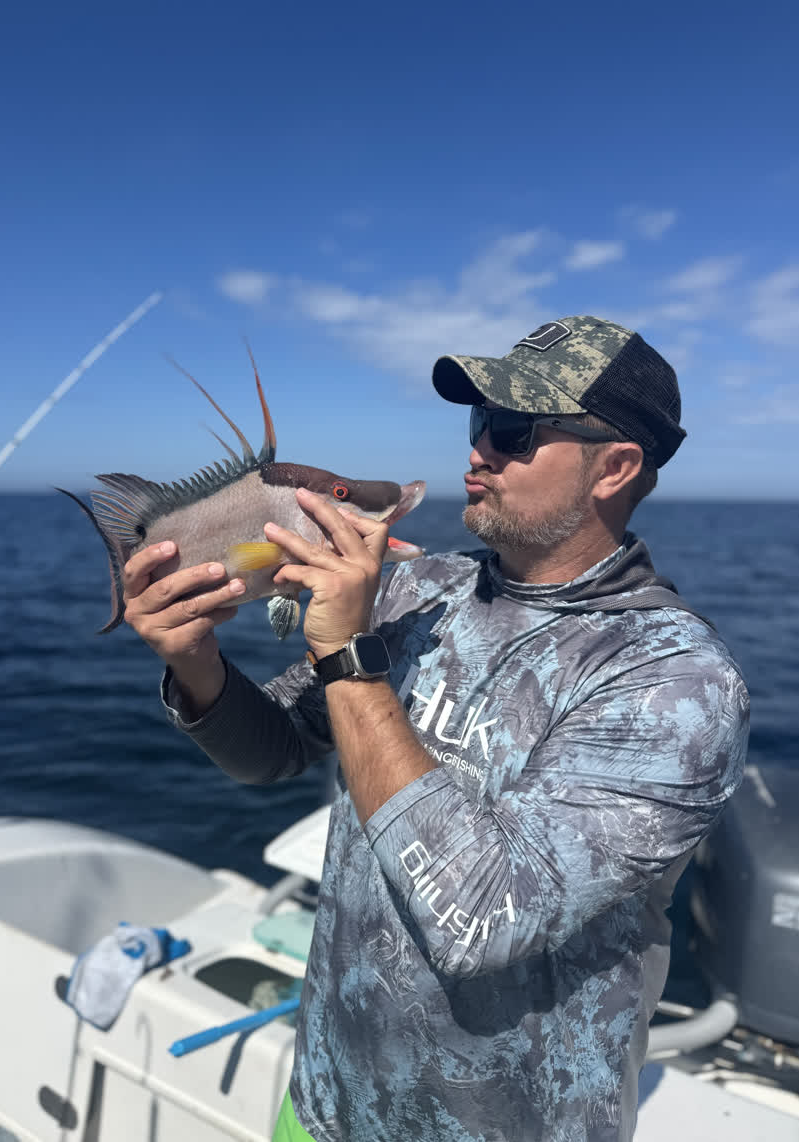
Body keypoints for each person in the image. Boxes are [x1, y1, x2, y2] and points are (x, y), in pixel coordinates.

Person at [122, 315, 749, 1142]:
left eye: (512, 429)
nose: (476, 450)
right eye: (475, 422)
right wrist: (195, 662)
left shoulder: (674, 680)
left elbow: (482, 921)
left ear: (617, 466)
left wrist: (347, 654)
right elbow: (272, 751)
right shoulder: (417, 591)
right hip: (320, 1103)